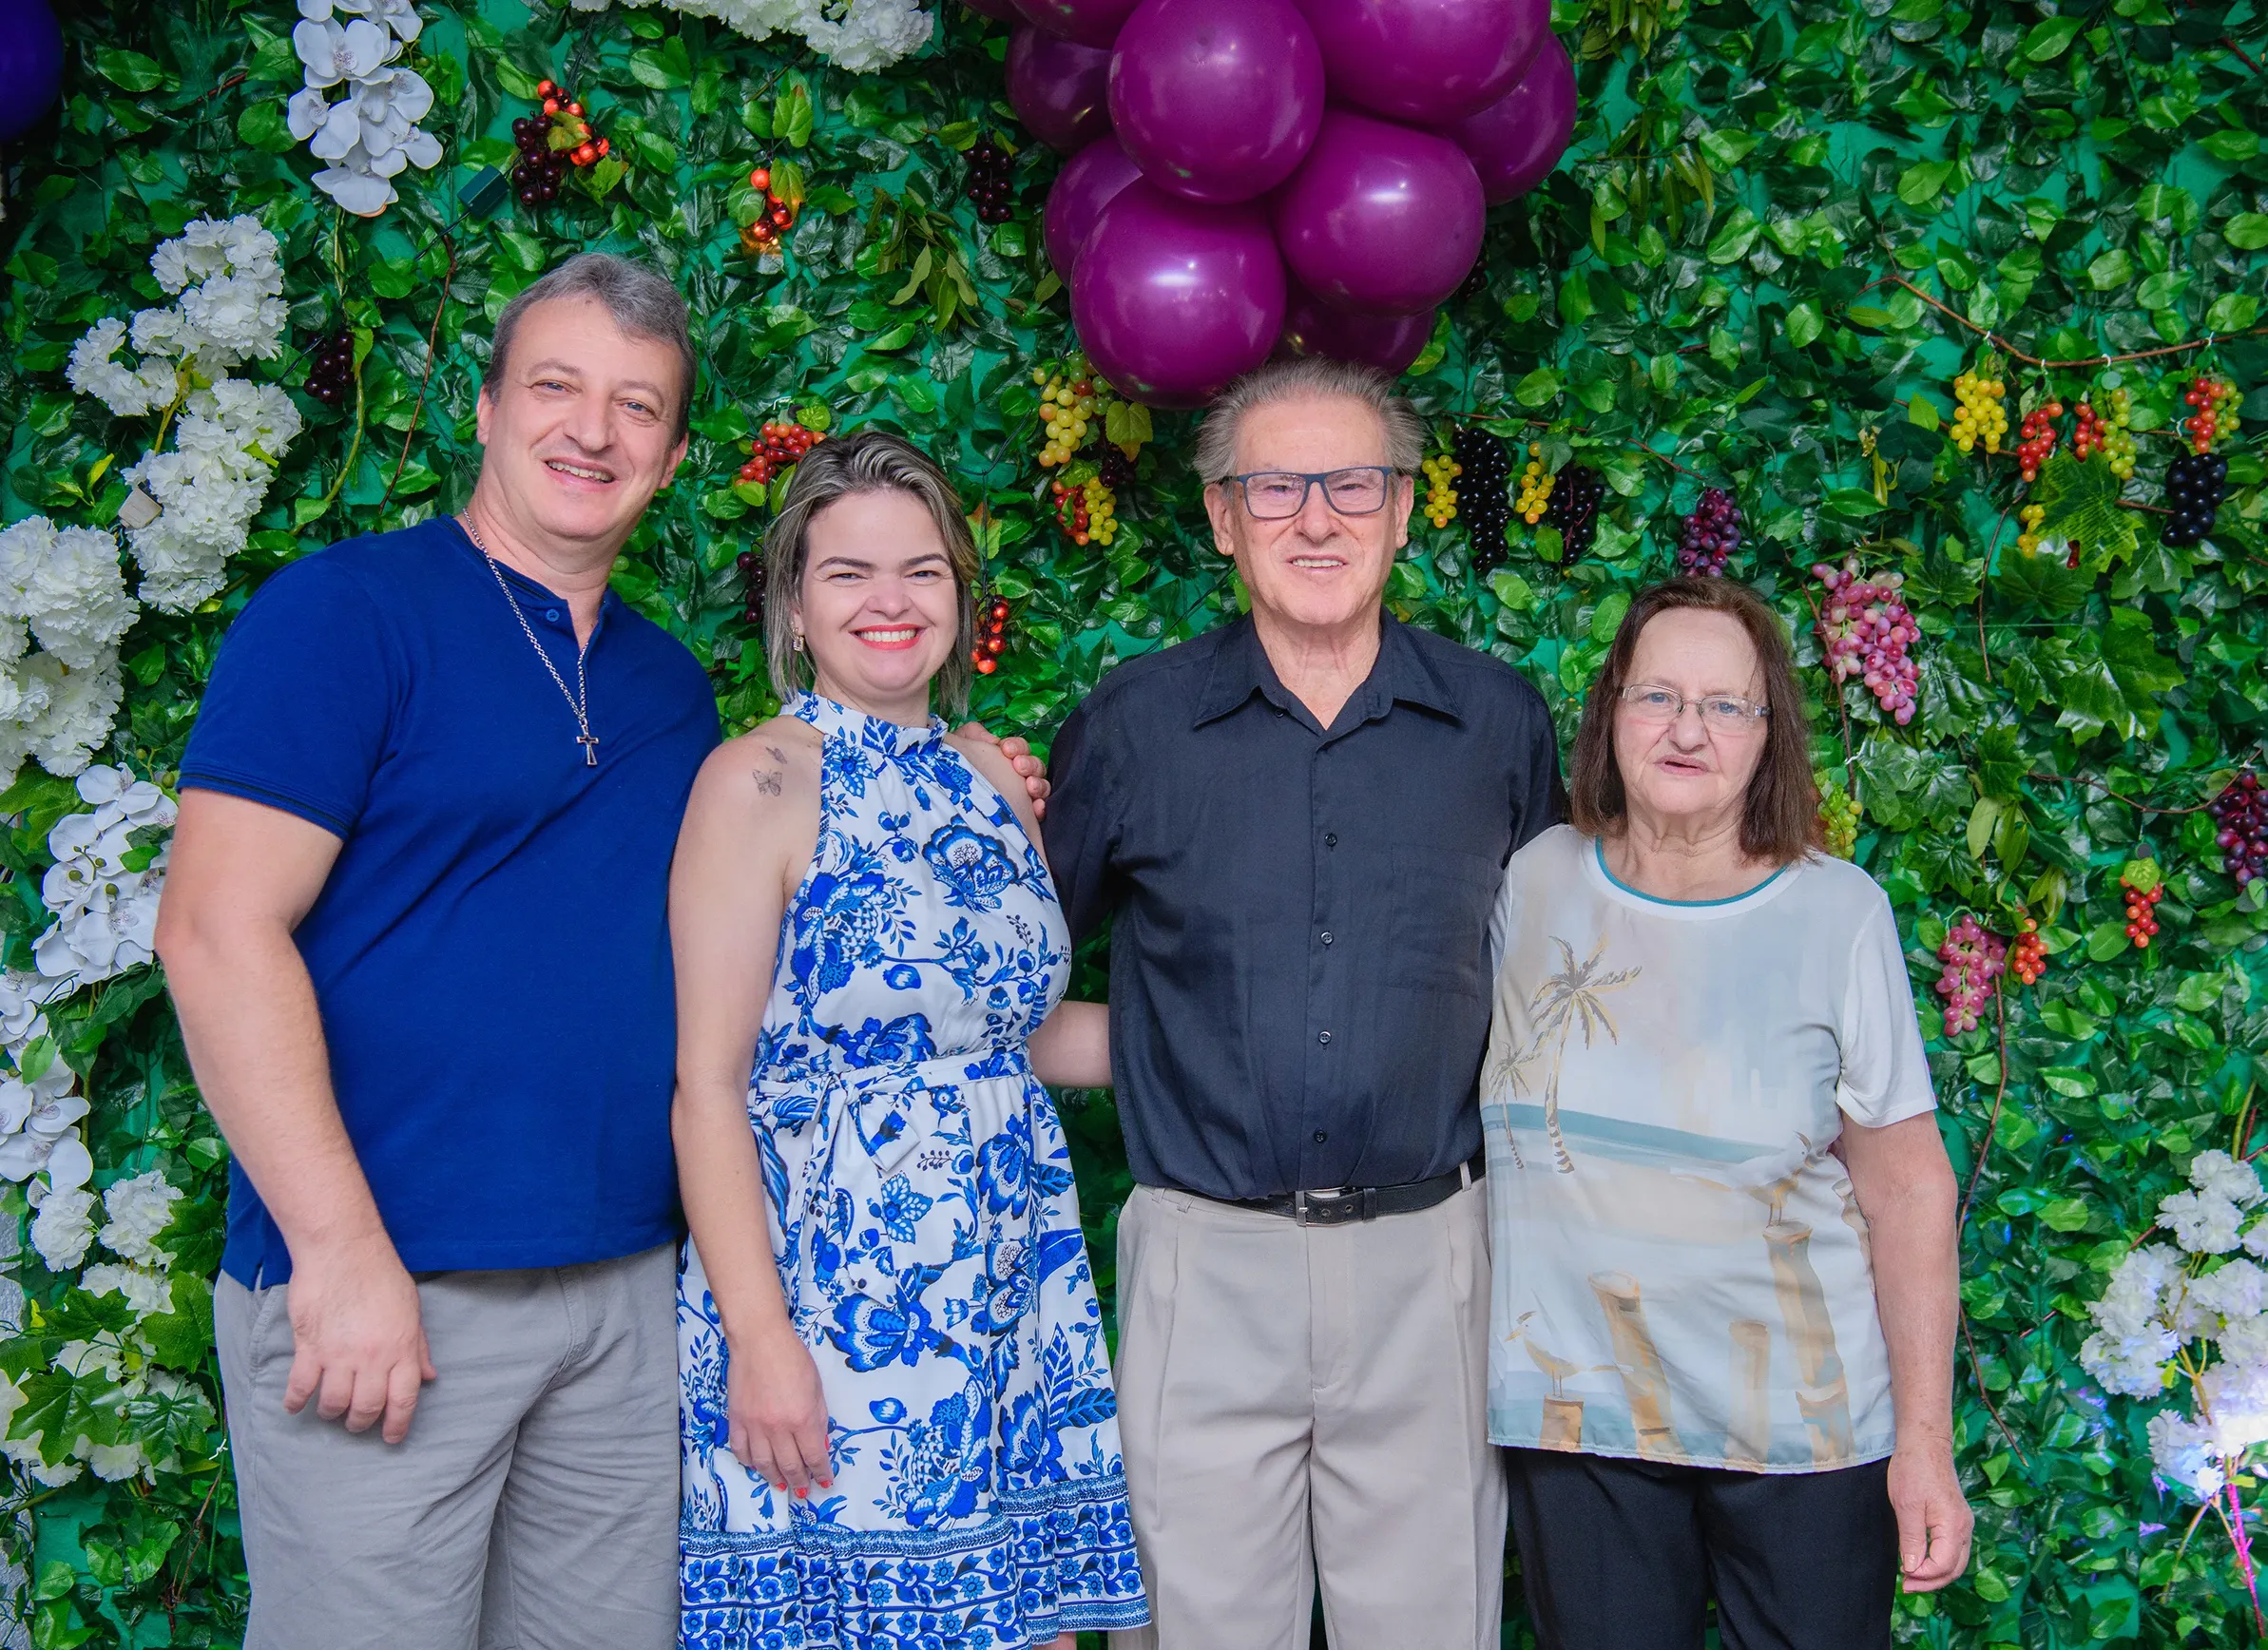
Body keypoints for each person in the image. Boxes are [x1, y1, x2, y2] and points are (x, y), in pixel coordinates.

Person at [153, 254, 1048, 1649]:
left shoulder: (666, 690)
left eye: (637, 406)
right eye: (557, 387)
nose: (593, 430)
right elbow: (213, 930)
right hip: (397, 1285)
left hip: (630, 1301)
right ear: (488, 406)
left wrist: (971, 774)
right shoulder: (346, 615)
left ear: (675, 453)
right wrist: (336, 1251)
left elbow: (805, 918)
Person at [1044, 356, 1563, 1650]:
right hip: (1202, 1261)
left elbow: (1564, 987)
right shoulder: (1134, 723)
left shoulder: (1495, 723)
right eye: (1275, 488)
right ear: (1222, 516)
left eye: (1350, 484)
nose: (1314, 519)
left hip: (1431, 1260)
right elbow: (1006, 978)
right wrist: (1161, 1054)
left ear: (1402, 509)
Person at [670, 429, 1148, 1649]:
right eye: (848, 573)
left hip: (1006, 1281)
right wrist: (763, 1340)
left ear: (960, 597)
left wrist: (1258, 1042)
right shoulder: (758, 781)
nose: (889, 601)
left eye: (922, 571)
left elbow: (1010, 1036)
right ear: (792, 603)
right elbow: (707, 1087)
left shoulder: (987, 772)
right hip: (838, 1295)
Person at [1479, 576, 1970, 1649]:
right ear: (1610, 712)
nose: (1687, 729)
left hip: (1803, 1437)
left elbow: (1907, 1186)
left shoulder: (1838, 911)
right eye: (1657, 695)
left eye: (1725, 704)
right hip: (1580, 1425)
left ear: (1767, 735)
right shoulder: (1534, 881)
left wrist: (1924, 1446)